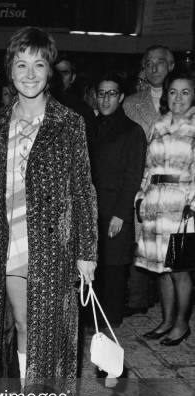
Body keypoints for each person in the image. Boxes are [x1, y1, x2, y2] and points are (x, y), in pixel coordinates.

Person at [0, 27, 97, 396]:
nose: (29, 73)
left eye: (38, 64)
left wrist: (87, 252)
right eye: (21, 64)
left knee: (49, 331)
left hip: (52, 246)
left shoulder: (69, 124)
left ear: (51, 71)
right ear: (9, 70)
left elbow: (83, 189)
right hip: (9, 242)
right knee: (23, 324)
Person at [135, 69, 195, 346]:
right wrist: (141, 196)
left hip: (184, 207)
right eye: (173, 92)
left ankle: (182, 324)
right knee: (160, 267)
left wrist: (191, 202)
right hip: (155, 204)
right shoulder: (158, 125)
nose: (178, 98)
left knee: (179, 269)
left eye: (185, 92)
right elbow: (149, 166)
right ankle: (167, 320)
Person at [91, 73, 147, 327]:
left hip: (115, 209)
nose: (105, 99)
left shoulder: (132, 131)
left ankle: (111, 318)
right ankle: (92, 315)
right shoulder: (89, 126)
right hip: (92, 208)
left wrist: (121, 214)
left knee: (114, 266)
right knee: (95, 264)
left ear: (121, 97)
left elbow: (133, 176)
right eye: (102, 93)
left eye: (111, 94)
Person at [123, 45, 175, 317]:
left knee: (174, 252)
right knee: (140, 242)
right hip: (142, 184)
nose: (155, 68)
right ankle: (138, 299)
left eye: (161, 62)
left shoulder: (183, 101)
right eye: (149, 63)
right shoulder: (131, 104)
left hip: (177, 188)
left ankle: (173, 310)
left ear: (171, 66)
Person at [52, 53, 95, 151]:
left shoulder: (83, 112)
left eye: (64, 73)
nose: (60, 77)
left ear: (73, 77)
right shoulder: (39, 105)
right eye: (56, 72)